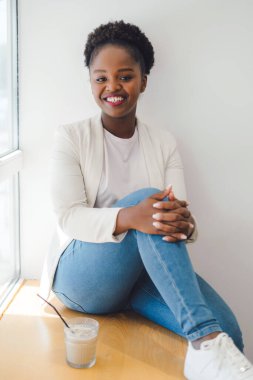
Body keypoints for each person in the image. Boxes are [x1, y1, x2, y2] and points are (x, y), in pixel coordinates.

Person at [39, 20, 253, 379]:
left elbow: (176, 214)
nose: (112, 87)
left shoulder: (164, 142)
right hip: (82, 276)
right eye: (101, 77)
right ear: (91, 82)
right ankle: (203, 343)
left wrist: (186, 224)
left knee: (228, 333)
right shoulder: (71, 137)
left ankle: (206, 344)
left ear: (143, 81)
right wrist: (131, 216)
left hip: (137, 278)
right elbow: (69, 217)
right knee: (148, 200)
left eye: (125, 76)